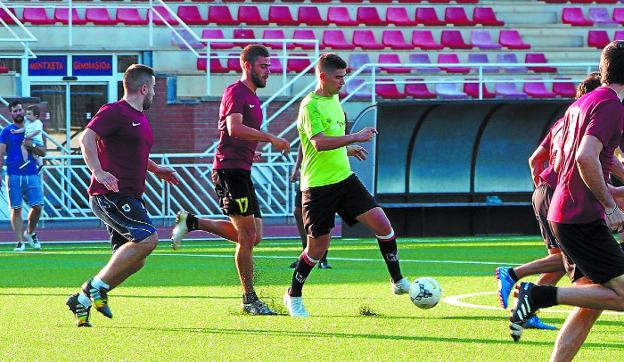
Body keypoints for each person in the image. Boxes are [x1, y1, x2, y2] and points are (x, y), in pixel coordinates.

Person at [508, 41, 624, 361]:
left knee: (590, 302)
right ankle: (539, 294)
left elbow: (575, 163)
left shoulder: (582, 103)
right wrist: (611, 206)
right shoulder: (612, 105)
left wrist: (610, 194)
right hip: (580, 214)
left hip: (565, 209)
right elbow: (587, 157)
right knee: (622, 295)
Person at [283, 53, 410, 317]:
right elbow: (318, 143)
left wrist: (348, 148)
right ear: (323, 76)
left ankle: (397, 281)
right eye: (338, 77)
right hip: (318, 186)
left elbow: (333, 141)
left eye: (345, 76)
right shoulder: (310, 106)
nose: (343, 82)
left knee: (383, 224)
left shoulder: (335, 101)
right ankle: (293, 295)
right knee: (317, 248)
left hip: (344, 178)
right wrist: (356, 137)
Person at [170, 44, 290, 316]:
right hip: (229, 172)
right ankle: (249, 300)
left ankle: (192, 222)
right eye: (263, 66)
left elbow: (232, 131)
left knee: (254, 236)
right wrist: (270, 138)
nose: (268, 71)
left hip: (241, 169)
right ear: (247, 66)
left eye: (269, 66)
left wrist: (250, 151)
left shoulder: (251, 96)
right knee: (246, 237)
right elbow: (235, 128)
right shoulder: (236, 92)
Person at [65, 64, 180, 327]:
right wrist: (98, 171)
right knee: (148, 239)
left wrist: (156, 168)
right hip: (110, 195)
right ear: (143, 88)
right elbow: (87, 138)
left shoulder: (139, 118)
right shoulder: (115, 111)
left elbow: (133, 151)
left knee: (135, 260)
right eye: (153, 88)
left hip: (129, 195)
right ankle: (94, 287)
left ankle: (81, 301)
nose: (155, 92)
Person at [495, 73, 602, 330]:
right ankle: (513, 274)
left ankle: (527, 308)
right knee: (573, 256)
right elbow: (589, 159)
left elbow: (535, 160)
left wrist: (542, 188)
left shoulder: (564, 121)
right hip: (563, 192)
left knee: (564, 260)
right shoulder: (590, 122)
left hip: (546, 190)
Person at [0, 101, 46, 252]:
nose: (18, 113)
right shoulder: (6, 131)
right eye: (15, 111)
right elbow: (1, 153)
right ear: (11, 113)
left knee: (38, 206)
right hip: (13, 174)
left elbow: (43, 152)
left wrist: (30, 146)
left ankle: (30, 233)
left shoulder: (34, 127)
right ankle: (20, 242)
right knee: (16, 208)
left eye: (20, 110)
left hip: (32, 173)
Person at [289, 147, 331, 269]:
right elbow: (302, 146)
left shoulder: (335, 128)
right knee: (298, 212)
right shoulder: (307, 128)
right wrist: (296, 169)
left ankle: (323, 258)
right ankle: (305, 253)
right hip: (308, 175)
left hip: (326, 175)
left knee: (325, 214)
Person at [11, 105, 44, 169]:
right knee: (25, 148)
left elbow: (37, 131)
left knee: (32, 151)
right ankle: (27, 161)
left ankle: (40, 164)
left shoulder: (38, 123)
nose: (27, 116)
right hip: (29, 140)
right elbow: (23, 129)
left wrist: (29, 136)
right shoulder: (27, 122)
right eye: (26, 114)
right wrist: (16, 131)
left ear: (35, 116)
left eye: (29, 114)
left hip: (36, 141)